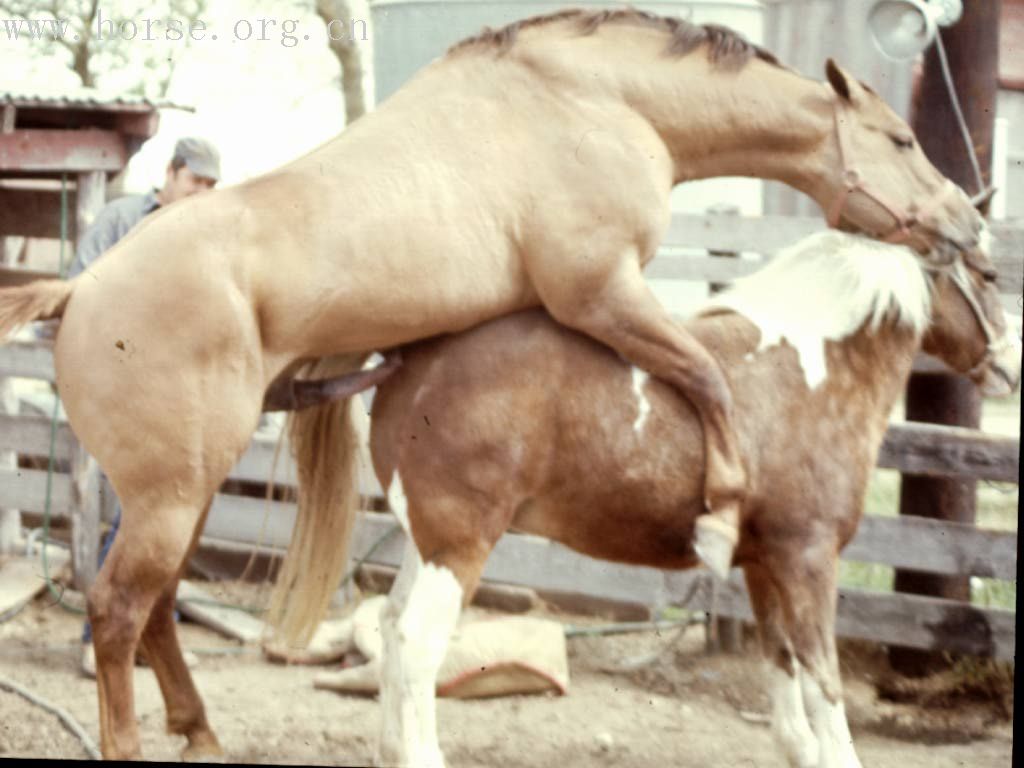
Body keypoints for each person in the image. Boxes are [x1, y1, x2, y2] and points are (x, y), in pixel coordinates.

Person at [77, 137, 220, 677]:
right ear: (170, 173)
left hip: (179, 390)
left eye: (210, 186)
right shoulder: (120, 219)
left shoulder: (207, 238)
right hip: (116, 381)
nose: (201, 193)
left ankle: (155, 642)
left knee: (172, 511)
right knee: (136, 508)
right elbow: (79, 286)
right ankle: (99, 637)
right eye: (194, 182)